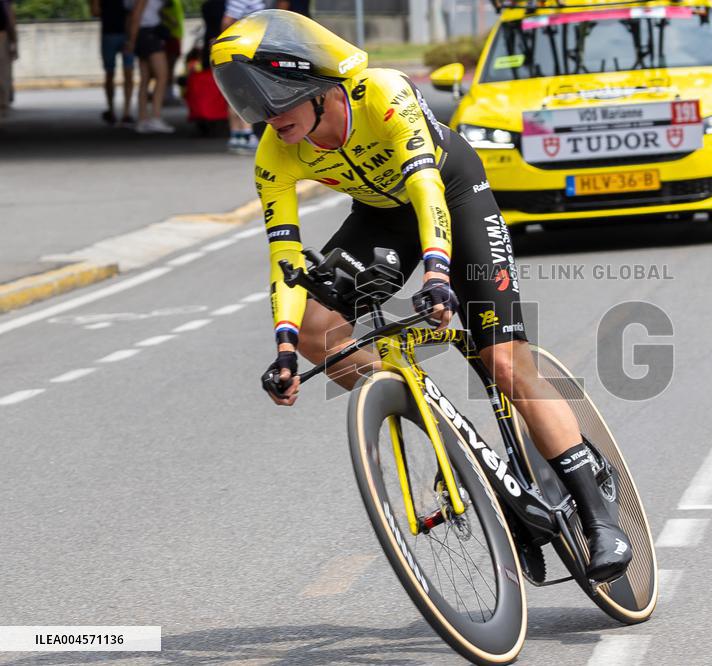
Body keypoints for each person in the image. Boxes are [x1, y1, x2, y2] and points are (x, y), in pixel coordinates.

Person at [210, 9, 632, 583]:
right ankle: (432, 418)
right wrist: (284, 346)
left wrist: (437, 272)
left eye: (273, 102)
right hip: (382, 219)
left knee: (505, 361)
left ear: (317, 87)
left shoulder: (382, 92)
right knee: (315, 334)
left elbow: (425, 184)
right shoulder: (275, 152)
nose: (264, 118)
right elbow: (284, 257)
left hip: (452, 194)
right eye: (252, 106)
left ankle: (597, 510)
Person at [219, 0, 265, 154]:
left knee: (234, 91)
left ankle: (236, 135)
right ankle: (246, 134)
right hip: (243, 50)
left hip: (237, 49)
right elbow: (228, 20)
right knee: (247, 91)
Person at [125, 0, 174, 133]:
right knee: (162, 76)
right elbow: (136, 15)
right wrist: (131, 41)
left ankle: (142, 119)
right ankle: (156, 117)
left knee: (145, 79)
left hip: (144, 33)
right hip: (148, 34)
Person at [90, 0, 135, 126]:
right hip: (124, 33)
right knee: (127, 73)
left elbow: (95, 11)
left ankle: (113, 110)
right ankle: (125, 112)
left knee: (112, 74)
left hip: (110, 34)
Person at [0, 0, 15, 116]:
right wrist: (14, 41)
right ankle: (3, 103)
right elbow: (10, 19)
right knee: (3, 72)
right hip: (2, 35)